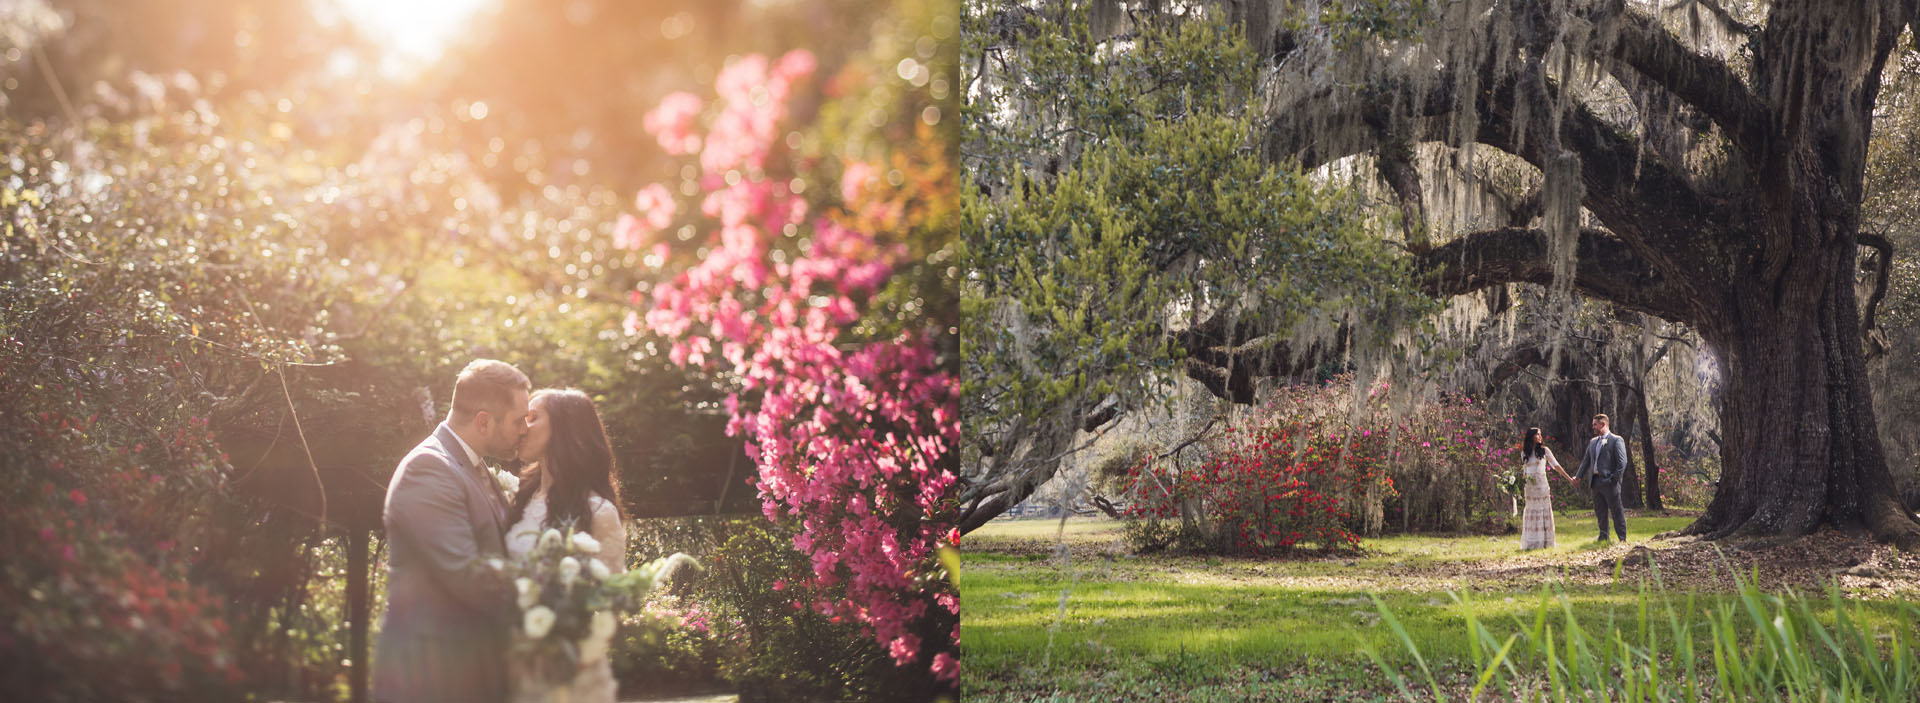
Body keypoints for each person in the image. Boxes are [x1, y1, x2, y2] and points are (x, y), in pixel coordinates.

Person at [374, 359, 531, 703]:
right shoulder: (429, 469)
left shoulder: (472, 468)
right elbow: (467, 576)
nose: (524, 430)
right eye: (519, 420)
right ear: (484, 421)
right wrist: (552, 600)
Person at [502, 388, 627, 703]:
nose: (522, 426)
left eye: (533, 418)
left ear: (564, 427)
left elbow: (610, 603)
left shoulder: (598, 511)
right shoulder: (518, 498)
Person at [1571, 413, 1629, 542]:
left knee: (1616, 511)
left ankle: (1622, 538)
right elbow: (1586, 461)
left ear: (1603, 424)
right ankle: (1603, 536)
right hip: (1595, 482)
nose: (1593, 427)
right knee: (1600, 511)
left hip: (1610, 482)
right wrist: (1578, 477)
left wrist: (1614, 479)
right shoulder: (1592, 442)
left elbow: (1622, 463)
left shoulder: (1616, 440)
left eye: (1595, 425)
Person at [1519, 427, 1574, 550]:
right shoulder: (1524, 453)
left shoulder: (1544, 451)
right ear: (1532, 436)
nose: (1540, 437)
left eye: (1540, 434)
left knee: (1543, 511)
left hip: (1542, 486)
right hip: (1529, 488)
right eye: (1538, 434)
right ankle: (1531, 542)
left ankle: (1545, 542)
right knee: (1531, 511)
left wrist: (1569, 479)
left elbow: (1556, 466)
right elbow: (1524, 471)